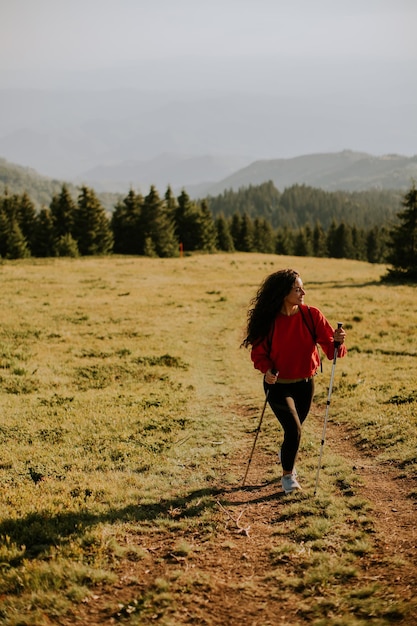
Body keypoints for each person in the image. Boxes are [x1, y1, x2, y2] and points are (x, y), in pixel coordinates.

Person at [242, 269, 347, 494]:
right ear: (283, 292)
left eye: (302, 288)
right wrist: (267, 370)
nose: (303, 292)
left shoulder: (311, 316)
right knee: (293, 430)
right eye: (298, 289)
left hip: (305, 384)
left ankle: (286, 456)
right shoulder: (268, 321)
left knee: (295, 431)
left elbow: (333, 351)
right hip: (277, 385)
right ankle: (288, 477)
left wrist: (337, 342)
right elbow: (258, 355)